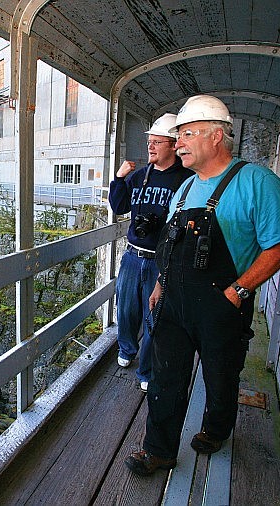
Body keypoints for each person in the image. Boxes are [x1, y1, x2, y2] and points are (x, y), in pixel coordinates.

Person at [124, 95, 280, 475]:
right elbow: (170, 245)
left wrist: (239, 291)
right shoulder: (185, 190)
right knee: (165, 377)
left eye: (186, 134)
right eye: (178, 136)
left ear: (216, 136)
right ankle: (159, 450)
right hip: (172, 301)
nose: (179, 142)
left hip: (221, 303)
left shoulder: (256, 182)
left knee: (220, 377)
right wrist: (159, 288)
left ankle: (216, 429)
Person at [108, 113, 193, 392]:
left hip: (162, 260)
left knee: (153, 315)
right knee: (127, 308)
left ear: (173, 145)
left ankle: (145, 371)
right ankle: (126, 349)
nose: (151, 147)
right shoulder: (138, 177)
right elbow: (119, 207)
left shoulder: (187, 180)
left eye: (158, 142)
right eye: (150, 142)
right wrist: (119, 179)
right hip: (133, 255)